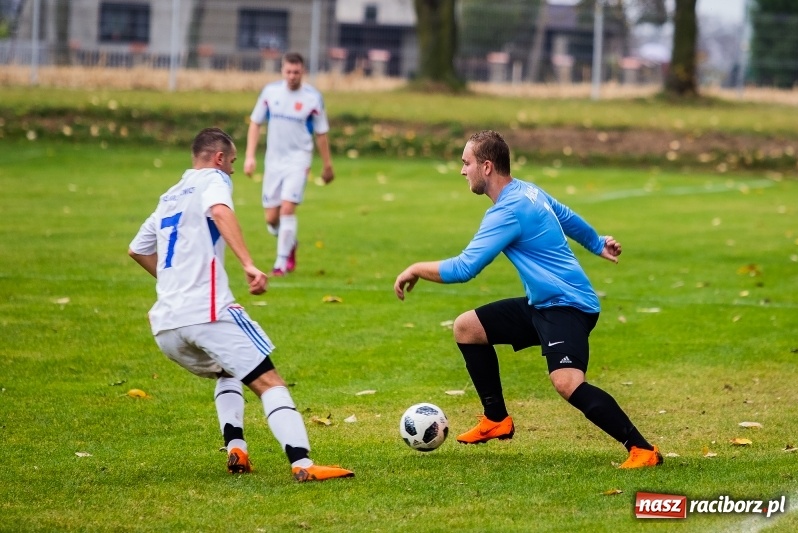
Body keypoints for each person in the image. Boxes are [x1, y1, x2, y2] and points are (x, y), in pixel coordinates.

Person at [393, 130, 663, 469]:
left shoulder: (508, 211)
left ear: (487, 167)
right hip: (543, 303)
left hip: (568, 305)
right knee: (467, 328)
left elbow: (464, 268)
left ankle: (642, 449)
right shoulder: (527, 190)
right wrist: (596, 242)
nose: (463, 171)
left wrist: (415, 268)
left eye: (466, 163)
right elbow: (565, 216)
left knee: (566, 382)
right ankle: (496, 420)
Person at [128, 127, 353, 482]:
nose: (233, 169)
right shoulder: (214, 181)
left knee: (226, 370)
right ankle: (303, 465)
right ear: (219, 159)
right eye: (232, 162)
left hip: (166, 325)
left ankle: (237, 449)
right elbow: (219, 211)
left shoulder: (169, 196)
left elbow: (137, 249)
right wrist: (248, 263)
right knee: (270, 382)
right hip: (209, 311)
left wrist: (172, 286)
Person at [244, 51, 335, 277]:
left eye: (296, 72)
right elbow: (255, 123)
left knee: (287, 209)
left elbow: (321, 133)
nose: (292, 76)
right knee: (271, 219)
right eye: (288, 71)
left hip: (299, 159)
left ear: (302, 72)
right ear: (282, 71)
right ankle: (289, 241)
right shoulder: (270, 93)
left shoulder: (313, 98)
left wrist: (327, 165)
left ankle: (281, 264)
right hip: (274, 162)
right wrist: (250, 156)